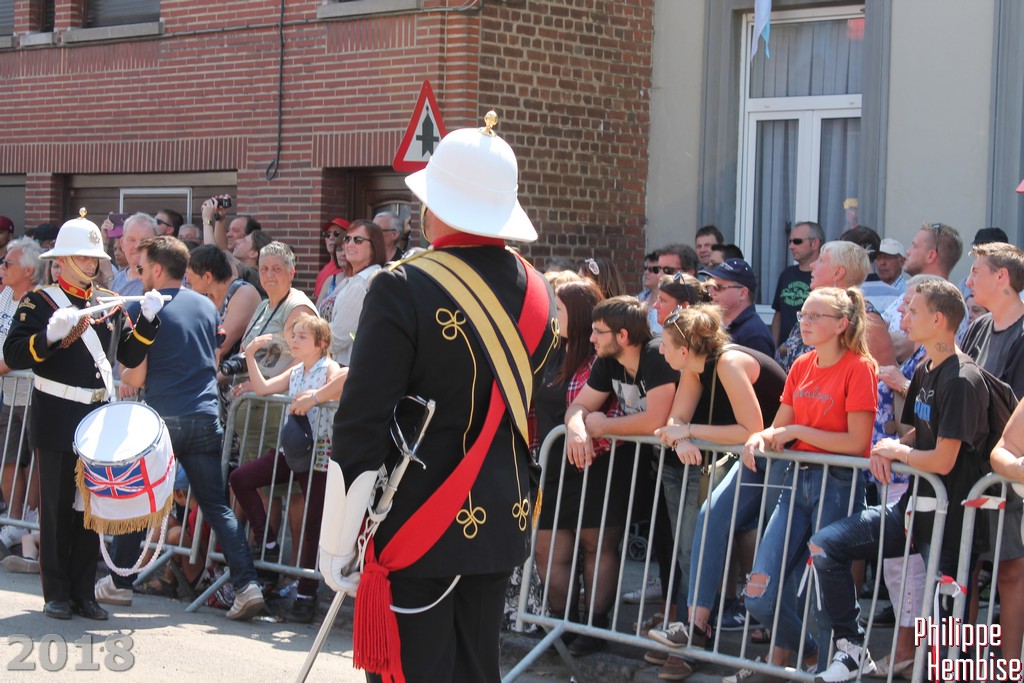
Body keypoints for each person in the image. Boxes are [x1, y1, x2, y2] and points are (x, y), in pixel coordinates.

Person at [318, 114, 558, 682]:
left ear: (438, 208)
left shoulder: (402, 286)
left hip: (418, 517)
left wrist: (337, 540)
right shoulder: (540, 291)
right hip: (502, 516)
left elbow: (362, 420)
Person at [809, 280, 990, 682]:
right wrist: (891, 445)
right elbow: (921, 435)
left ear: (938, 319)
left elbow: (943, 458)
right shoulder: (925, 368)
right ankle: (851, 649)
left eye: (912, 310)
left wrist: (896, 451)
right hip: (912, 510)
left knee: (945, 625)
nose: (902, 317)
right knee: (826, 545)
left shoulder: (962, 379)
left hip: (951, 520)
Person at [3, 211, 163, 620]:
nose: (91, 264)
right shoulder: (39, 302)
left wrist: (147, 320)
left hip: (96, 416)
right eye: (83, 257)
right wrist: (48, 337)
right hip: (56, 414)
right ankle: (56, 593)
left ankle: (83, 592)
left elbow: (129, 355)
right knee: (57, 509)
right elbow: (14, 353)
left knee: (90, 510)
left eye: (94, 258)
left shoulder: (108, 302)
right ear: (63, 260)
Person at [98, 236, 265, 621]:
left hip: (163, 419)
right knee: (217, 506)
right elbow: (212, 353)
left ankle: (120, 583)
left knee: (140, 502)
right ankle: (247, 586)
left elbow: (134, 376)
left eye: (142, 267)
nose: (138, 274)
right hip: (204, 415)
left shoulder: (144, 307)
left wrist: (130, 371)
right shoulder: (206, 305)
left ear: (157, 269)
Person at [736, 286, 877, 680]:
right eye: (803, 315)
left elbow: (857, 443)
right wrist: (759, 437)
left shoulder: (860, 367)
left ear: (842, 324)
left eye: (815, 316)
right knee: (758, 595)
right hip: (795, 481)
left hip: (839, 484)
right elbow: (778, 427)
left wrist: (796, 431)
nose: (805, 323)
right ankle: (814, 652)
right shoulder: (801, 364)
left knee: (825, 593)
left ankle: (836, 664)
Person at [646, 305, 787, 681]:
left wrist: (689, 432)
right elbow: (676, 419)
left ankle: (787, 649)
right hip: (757, 458)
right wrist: (681, 439)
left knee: (775, 547)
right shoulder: (694, 366)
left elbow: (751, 429)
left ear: (686, 349)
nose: (660, 350)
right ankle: (695, 626)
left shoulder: (727, 363)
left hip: (788, 458)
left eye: (666, 344)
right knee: (710, 517)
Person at [533, 280, 630, 658]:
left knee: (596, 546)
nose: (552, 315)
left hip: (597, 464)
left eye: (558, 309)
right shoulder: (550, 351)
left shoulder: (602, 357)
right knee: (547, 548)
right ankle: (563, 624)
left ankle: (594, 627)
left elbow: (614, 409)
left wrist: (584, 437)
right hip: (552, 465)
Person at [229, 312, 344, 623]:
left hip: (318, 453)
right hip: (290, 449)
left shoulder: (328, 367)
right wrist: (250, 356)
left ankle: (306, 595)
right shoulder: (295, 371)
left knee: (312, 523)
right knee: (241, 478)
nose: (294, 340)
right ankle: (266, 539)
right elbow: (263, 388)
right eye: (293, 335)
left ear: (320, 343)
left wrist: (314, 398)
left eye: (302, 336)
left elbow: (346, 378)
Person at [960, 241, 1024, 665]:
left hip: (1008, 471)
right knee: (963, 570)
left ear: (1002, 277)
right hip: (971, 468)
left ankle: (1010, 665)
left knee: (1011, 571)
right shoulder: (979, 327)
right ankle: (961, 664)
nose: (968, 281)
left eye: (976, 272)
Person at [0, 239, 44, 553]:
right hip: (8, 392)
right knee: (8, 457)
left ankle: (33, 520)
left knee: (36, 458)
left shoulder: (38, 301)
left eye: (7, 263)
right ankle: (14, 521)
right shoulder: (4, 295)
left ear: (28, 270)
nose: (2, 267)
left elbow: (30, 348)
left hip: (33, 392)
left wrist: (3, 366)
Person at [185, 244, 261, 366]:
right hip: (209, 368)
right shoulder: (206, 297)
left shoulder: (244, 293)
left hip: (236, 373)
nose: (186, 279)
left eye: (189, 274)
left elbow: (220, 346)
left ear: (208, 277)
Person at [329, 219, 386, 365]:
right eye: (347, 239)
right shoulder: (353, 280)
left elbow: (337, 338)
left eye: (358, 240)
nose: (350, 244)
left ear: (374, 247)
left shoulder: (363, 283)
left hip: (348, 367)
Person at [698, 258, 775, 357]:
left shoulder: (754, 335)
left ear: (743, 293)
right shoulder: (718, 325)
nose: (711, 291)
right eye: (710, 286)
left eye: (718, 287)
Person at [771, 221, 823, 347]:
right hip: (784, 351)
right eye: (790, 241)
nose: (791, 246)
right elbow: (778, 314)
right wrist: (773, 348)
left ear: (815, 243)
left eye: (797, 241)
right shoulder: (786, 274)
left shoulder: (824, 277)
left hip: (811, 349)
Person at [314, 218, 349, 300]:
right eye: (327, 234)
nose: (331, 237)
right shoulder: (323, 271)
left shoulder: (348, 266)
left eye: (337, 233)